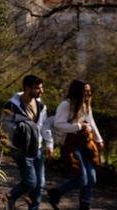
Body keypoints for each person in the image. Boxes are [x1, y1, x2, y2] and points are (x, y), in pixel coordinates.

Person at [47, 80, 104, 210]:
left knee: (92, 178)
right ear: (77, 92)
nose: (89, 94)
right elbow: (58, 124)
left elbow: (91, 122)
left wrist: (99, 139)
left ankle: (85, 205)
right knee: (81, 179)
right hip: (70, 144)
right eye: (86, 91)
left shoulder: (86, 104)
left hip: (85, 144)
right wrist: (79, 126)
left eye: (89, 91)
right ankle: (56, 193)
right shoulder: (66, 105)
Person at [1, 74, 54, 210]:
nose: (41, 91)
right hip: (20, 149)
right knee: (31, 182)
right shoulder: (12, 105)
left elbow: (44, 126)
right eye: (37, 88)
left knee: (40, 184)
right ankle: (11, 196)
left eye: (41, 88)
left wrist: (49, 144)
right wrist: (18, 129)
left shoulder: (41, 106)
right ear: (27, 88)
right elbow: (4, 123)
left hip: (37, 148)